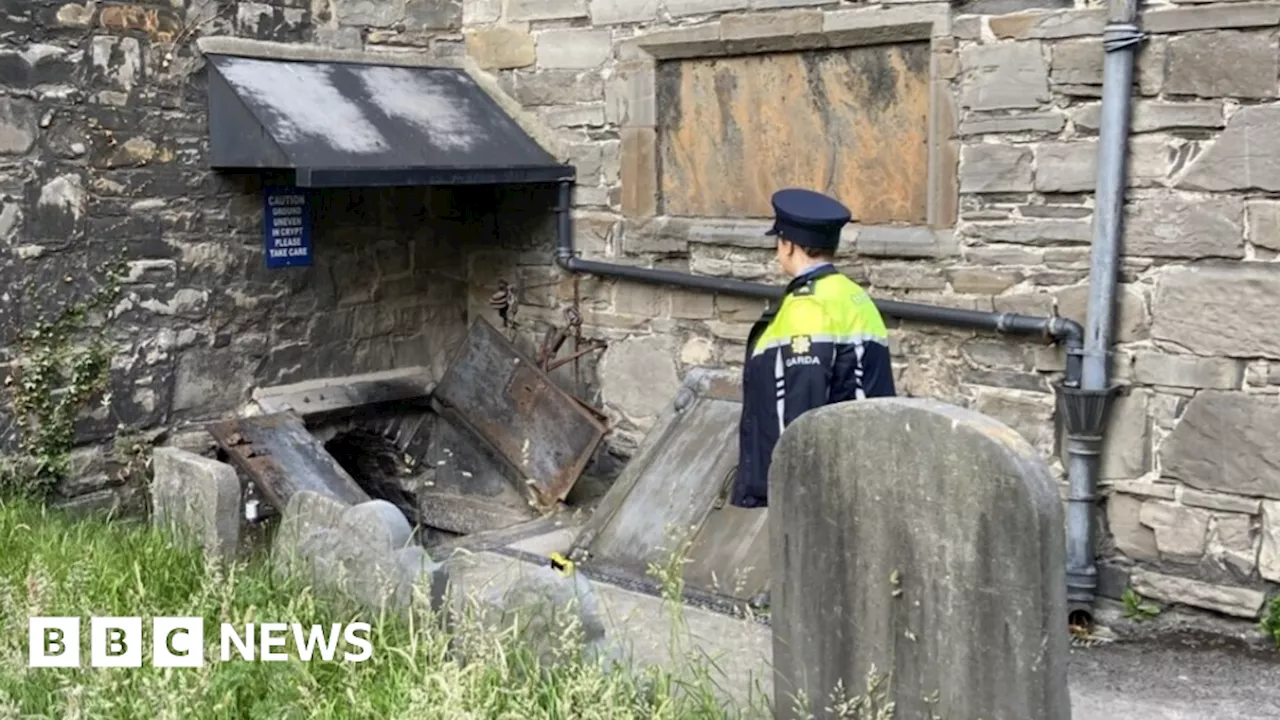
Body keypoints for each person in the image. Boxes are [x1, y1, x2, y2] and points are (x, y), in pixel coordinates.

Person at [729, 188, 897, 509]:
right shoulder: (852, 296)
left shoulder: (808, 306)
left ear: (788, 245)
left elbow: (801, 402)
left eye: (777, 242)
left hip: (825, 483)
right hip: (862, 466)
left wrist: (793, 486)